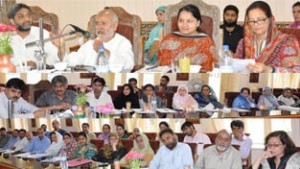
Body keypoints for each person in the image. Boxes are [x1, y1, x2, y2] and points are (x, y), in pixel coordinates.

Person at [234, 1, 300, 73]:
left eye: (260, 20)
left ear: (270, 19)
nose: (256, 24)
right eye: (251, 21)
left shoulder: (286, 41)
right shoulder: (243, 43)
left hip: (276, 83)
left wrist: (269, 69)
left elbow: (296, 71)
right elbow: (235, 68)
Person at [68, 8, 134, 71]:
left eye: (103, 23)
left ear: (114, 26)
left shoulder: (123, 43)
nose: (99, 27)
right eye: (97, 23)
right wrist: (62, 50)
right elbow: (74, 61)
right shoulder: (90, 43)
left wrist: (102, 50)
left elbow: (128, 65)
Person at [158, 4, 216, 72]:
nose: (184, 25)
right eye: (181, 20)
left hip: (198, 79)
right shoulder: (169, 39)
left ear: (198, 23)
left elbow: (208, 68)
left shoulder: (206, 41)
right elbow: (163, 66)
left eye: (189, 21)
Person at [7, 3, 65, 68]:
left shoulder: (43, 34)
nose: (27, 19)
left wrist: (61, 47)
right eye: (21, 17)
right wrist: (22, 64)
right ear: (12, 21)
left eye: (28, 15)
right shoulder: (6, 39)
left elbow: (55, 61)